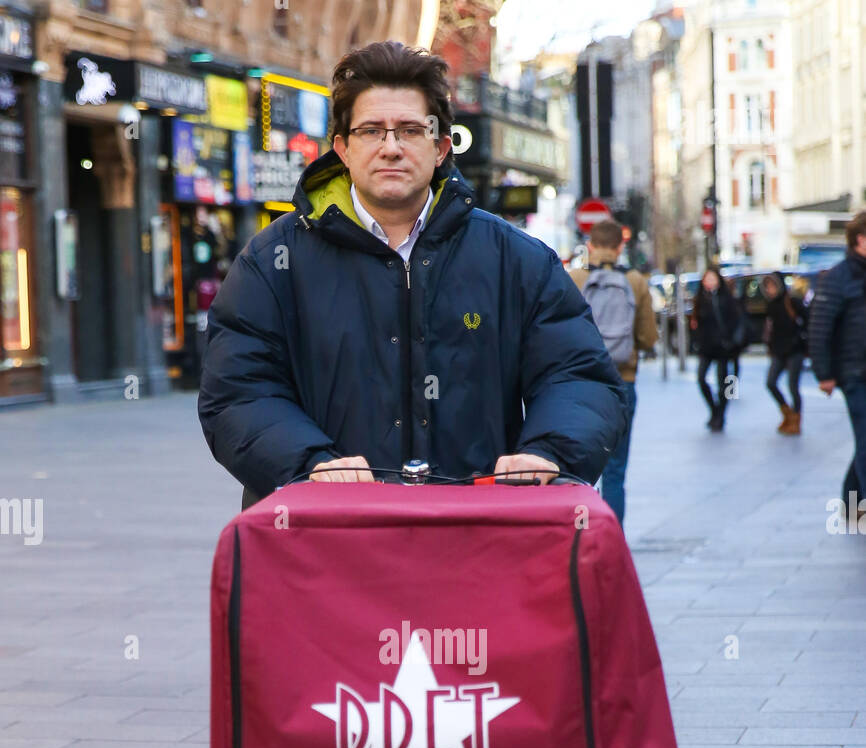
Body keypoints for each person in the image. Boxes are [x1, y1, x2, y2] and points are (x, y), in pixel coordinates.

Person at [198, 42, 627, 504]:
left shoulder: (517, 260)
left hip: (479, 535)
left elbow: (578, 376)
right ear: (342, 148)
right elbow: (238, 391)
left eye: (409, 130)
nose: (391, 148)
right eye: (371, 131)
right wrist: (309, 462)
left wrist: (548, 451)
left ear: (441, 146)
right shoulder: (271, 262)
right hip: (324, 540)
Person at [569, 219, 657, 524]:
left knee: (579, 472)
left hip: (582, 385)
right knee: (615, 472)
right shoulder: (636, 281)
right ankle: (613, 541)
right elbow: (648, 338)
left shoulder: (574, 279)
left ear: (590, 245)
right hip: (623, 382)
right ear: (621, 246)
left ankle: (582, 537)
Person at [808, 209, 866, 506]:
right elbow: (820, 329)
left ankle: (852, 499)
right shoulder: (838, 278)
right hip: (855, 373)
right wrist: (824, 374)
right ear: (861, 240)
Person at [690, 269, 744, 432]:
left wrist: (732, 341)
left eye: (713, 278)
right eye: (708, 279)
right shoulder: (700, 300)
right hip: (706, 347)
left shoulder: (726, 299)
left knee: (725, 384)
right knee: (701, 378)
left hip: (724, 347)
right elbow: (695, 324)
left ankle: (721, 414)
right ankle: (714, 410)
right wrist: (696, 341)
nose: (710, 282)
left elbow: (736, 321)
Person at [761, 272, 809, 435]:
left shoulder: (792, 301)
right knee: (771, 382)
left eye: (773, 285)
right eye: (767, 286)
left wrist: (800, 339)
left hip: (795, 350)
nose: (770, 289)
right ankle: (787, 413)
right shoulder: (770, 304)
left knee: (793, 386)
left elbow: (807, 320)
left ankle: (796, 419)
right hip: (778, 351)